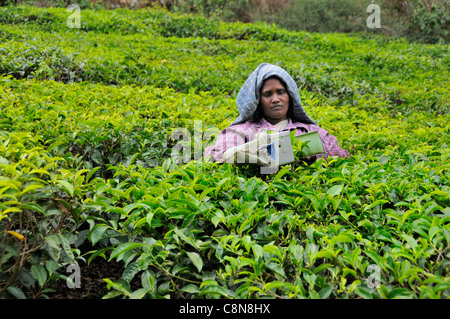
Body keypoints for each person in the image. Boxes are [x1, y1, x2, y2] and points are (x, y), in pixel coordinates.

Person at [204, 63, 349, 165]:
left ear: (290, 96)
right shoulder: (241, 131)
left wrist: (316, 156)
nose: (275, 99)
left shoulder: (312, 131)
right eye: (268, 94)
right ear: (258, 100)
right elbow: (215, 157)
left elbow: (342, 156)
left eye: (281, 92)